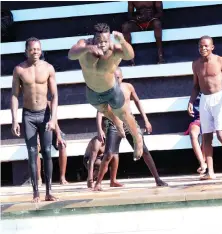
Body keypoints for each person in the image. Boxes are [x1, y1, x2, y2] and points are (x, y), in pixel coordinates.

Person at [68, 23, 144, 161]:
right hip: (92, 92)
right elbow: (71, 55)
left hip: (111, 90)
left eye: (105, 41)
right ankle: (117, 123)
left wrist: (122, 41)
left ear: (109, 39)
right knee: (104, 110)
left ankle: (137, 138)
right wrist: (87, 48)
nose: (103, 44)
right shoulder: (84, 44)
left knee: (125, 114)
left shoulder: (114, 48)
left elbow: (130, 55)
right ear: (93, 38)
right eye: (99, 41)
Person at [93, 68, 168, 191]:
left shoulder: (128, 87)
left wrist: (146, 120)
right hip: (114, 124)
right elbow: (100, 111)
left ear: (122, 77)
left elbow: (137, 102)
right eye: (113, 77)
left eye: (118, 77)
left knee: (144, 150)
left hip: (129, 122)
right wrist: (99, 129)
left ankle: (157, 179)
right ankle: (98, 183)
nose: (115, 80)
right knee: (108, 154)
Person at [11, 37, 58, 202]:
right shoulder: (19, 70)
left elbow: (55, 95)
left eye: (37, 49)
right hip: (29, 115)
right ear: (26, 51)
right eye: (32, 50)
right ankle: (36, 192)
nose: (35, 52)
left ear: (41, 50)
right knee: (32, 153)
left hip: (44, 114)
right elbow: (15, 95)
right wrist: (14, 120)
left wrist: (53, 119)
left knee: (46, 152)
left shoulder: (49, 68)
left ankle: (49, 191)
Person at [188, 36, 222, 180]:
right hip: (204, 99)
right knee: (206, 136)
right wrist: (191, 101)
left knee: (221, 134)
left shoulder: (221, 60)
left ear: (212, 47)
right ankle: (210, 171)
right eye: (200, 46)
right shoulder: (195, 64)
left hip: (219, 98)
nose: (203, 49)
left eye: (206, 46)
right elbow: (196, 86)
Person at [184, 92, 207, 174]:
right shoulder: (196, 95)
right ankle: (202, 162)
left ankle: (204, 161)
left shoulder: (214, 93)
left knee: (206, 132)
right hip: (198, 119)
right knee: (193, 133)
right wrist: (190, 104)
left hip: (210, 121)